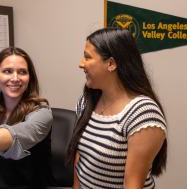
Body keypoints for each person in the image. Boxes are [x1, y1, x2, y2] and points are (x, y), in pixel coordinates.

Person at [65, 27, 167, 189]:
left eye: (87, 57)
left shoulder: (143, 114)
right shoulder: (86, 101)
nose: (81, 64)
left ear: (111, 64)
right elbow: (80, 160)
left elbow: (131, 185)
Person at [0, 47, 57, 187]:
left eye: (22, 72)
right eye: (7, 71)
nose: (15, 78)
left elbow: (13, 137)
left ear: (29, 78)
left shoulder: (42, 113)